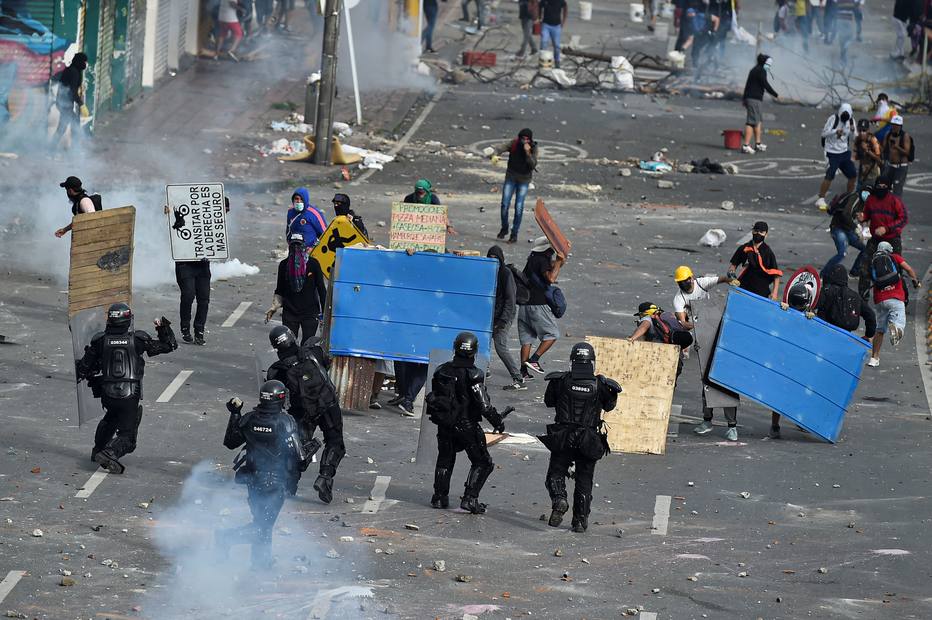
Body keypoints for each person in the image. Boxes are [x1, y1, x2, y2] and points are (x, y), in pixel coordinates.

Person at [75, 304, 177, 474]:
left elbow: (84, 369)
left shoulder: (99, 341)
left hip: (107, 393)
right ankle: (110, 453)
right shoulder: (138, 339)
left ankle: (98, 450)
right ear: (127, 320)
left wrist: (91, 373)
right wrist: (163, 328)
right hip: (129, 395)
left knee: (111, 418)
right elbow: (169, 346)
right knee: (128, 437)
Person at [215, 381, 305, 569]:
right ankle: (226, 537)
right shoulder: (284, 422)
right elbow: (300, 458)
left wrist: (235, 414)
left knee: (261, 521)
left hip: (253, 480)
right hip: (274, 482)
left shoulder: (249, 419)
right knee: (263, 526)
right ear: (280, 398)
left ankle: (260, 563)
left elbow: (231, 442)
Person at [540, 343, 620, 533]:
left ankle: (559, 499)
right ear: (592, 361)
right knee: (584, 480)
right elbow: (609, 407)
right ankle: (580, 520)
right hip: (588, 437)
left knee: (556, 473)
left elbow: (548, 401)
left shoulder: (559, 380)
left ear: (572, 360)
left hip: (563, 435)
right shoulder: (602, 384)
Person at [426, 332, 509, 514]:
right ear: (475, 351)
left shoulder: (441, 370)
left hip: (445, 424)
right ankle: (470, 499)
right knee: (483, 462)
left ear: (455, 348)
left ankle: (439, 497)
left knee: (445, 459)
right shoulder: (474, 375)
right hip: (466, 425)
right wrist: (497, 421)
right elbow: (484, 406)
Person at [266, 326, 344, 504]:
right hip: (327, 404)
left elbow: (275, 397)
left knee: (296, 447)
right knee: (335, 442)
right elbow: (327, 363)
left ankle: (289, 484)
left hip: (301, 411)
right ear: (292, 337)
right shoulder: (314, 350)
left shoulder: (277, 369)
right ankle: (325, 478)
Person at [171, 197, 230, 346]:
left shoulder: (217, 225)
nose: (225, 213)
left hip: (202, 266)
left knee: (204, 299)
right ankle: (185, 327)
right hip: (185, 264)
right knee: (188, 295)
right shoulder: (191, 218)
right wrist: (170, 214)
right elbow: (175, 225)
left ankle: (199, 331)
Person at [265, 232, 328, 344]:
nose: (296, 249)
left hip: (300, 313)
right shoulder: (311, 264)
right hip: (301, 312)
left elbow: (279, 290)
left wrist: (274, 307)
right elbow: (322, 290)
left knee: (298, 345)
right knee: (302, 345)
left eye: (297, 246)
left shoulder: (287, 264)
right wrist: (274, 307)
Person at [867, 242, 920, 366]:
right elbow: (909, 269)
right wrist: (915, 281)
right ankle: (896, 328)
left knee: (879, 330)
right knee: (900, 322)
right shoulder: (894, 257)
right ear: (889, 250)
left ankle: (874, 359)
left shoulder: (873, 261)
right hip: (895, 297)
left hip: (880, 300)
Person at [518, 237, 564, 379]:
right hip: (538, 306)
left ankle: (523, 372)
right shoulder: (542, 260)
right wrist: (558, 262)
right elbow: (550, 278)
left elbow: (547, 273)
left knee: (527, 339)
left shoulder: (532, 259)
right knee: (553, 334)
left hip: (524, 305)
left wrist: (559, 262)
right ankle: (534, 359)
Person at [857, 175, 908, 297]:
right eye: (879, 186)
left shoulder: (894, 201)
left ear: (889, 188)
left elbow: (903, 219)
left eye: (884, 186)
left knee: (897, 268)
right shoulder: (871, 200)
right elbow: (867, 215)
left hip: (892, 239)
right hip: (876, 239)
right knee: (864, 266)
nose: (881, 188)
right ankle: (863, 297)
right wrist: (863, 218)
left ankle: (902, 296)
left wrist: (886, 228)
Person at [487, 245, 525, 390]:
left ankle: (518, 377)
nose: (493, 261)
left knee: (500, 346)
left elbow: (510, 300)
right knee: (484, 342)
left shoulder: (505, 274)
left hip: (504, 315)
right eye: (490, 258)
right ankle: (486, 369)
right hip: (492, 314)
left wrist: (502, 321)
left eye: (495, 258)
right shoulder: (488, 272)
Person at [493, 128, 538, 243]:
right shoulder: (514, 143)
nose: (524, 141)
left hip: (524, 180)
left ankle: (514, 234)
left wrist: (527, 152)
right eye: (522, 138)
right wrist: (494, 154)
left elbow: (533, 164)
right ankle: (504, 228)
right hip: (511, 177)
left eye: (527, 139)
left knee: (519, 207)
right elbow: (501, 148)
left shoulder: (533, 148)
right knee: (504, 204)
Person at [628, 302, 693, 377]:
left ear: (643, 313)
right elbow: (688, 325)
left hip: (660, 358)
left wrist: (632, 338)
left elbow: (644, 326)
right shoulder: (668, 317)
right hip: (677, 360)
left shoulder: (648, 318)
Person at [815, 103, 857, 210]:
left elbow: (854, 138)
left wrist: (852, 131)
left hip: (844, 152)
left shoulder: (851, 121)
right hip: (831, 152)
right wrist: (835, 131)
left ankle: (848, 198)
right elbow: (823, 134)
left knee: (852, 174)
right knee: (830, 174)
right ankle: (821, 198)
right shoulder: (833, 119)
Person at [728, 221, 783, 301]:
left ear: (766, 234)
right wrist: (732, 278)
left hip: (761, 292)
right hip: (743, 288)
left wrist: (774, 293)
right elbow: (732, 267)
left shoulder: (768, 252)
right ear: (752, 231)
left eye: (761, 232)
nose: (758, 234)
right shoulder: (744, 248)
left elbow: (776, 275)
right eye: (756, 231)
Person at [821, 187, 867, 278]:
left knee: (865, 250)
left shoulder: (862, 201)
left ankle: (855, 272)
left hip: (847, 229)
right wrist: (856, 228)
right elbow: (846, 214)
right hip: (838, 228)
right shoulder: (855, 198)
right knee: (842, 253)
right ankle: (824, 274)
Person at [741, 54, 779, 154]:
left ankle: (758, 144)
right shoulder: (761, 71)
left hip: (752, 98)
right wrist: (775, 94)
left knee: (758, 121)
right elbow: (765, 84)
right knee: (751, 121)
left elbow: (747, 84)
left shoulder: (754, 69)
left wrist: (744, 98)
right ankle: (746, 145)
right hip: (754, 99)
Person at [50, 53, 87, 149]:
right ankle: (75, 149)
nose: (85, 64)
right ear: (79, 61)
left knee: (63, 126)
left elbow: (72, 88)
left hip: (65, 102)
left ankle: (51, 148)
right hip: (64, 103)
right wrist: (81, 104)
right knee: (74, 123)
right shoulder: (73, 72)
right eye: (84, 62)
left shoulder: (75, 70)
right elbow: (72, 91)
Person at [880, 115, 913, 196]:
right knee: (884, 187)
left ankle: (897, 208)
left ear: (900, 126)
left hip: (901, 167)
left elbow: (907, 152)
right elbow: (883, 148)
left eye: (897, 125)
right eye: (893, 124)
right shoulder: (888, 134)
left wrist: (897, 147)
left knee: (897, 190)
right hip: (890, 165)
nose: (895, 127)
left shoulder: (905, 136)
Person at [853, 119, 882, 189]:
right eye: (859, 130)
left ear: (868, 130)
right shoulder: (857, 140)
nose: (861, 133)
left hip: (872, 172)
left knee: (869, 194)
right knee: (859, 193)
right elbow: (855, 156)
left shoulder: (873, 140)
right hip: (861, 172)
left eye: (864, 130)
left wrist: (867, 150)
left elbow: (879, 160)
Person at [538, 0, 568, 68]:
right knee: (543, 42)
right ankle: (542, 61)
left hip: (556, 26)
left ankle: (557, 62)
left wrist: (564, 20)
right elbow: (539, 6)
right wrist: (539, 18)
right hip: (546, 25)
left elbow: (565, 7)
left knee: (557, 46)